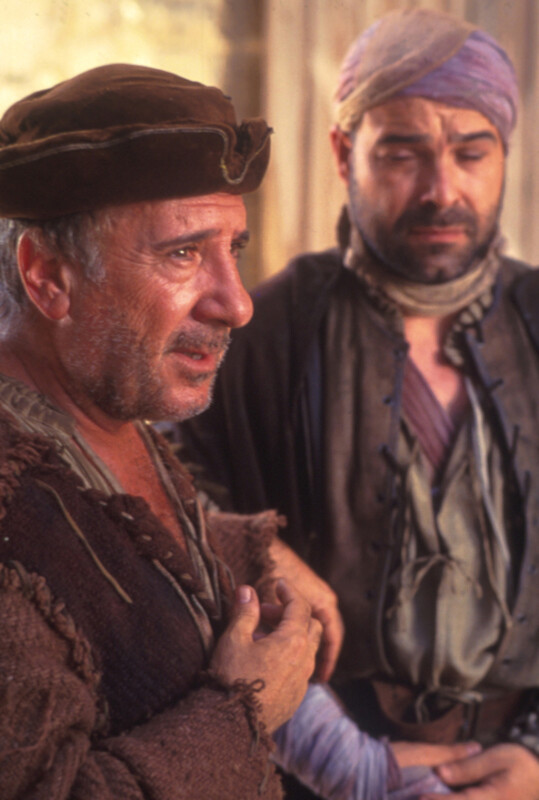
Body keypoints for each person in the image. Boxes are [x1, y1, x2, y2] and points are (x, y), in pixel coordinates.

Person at [0, 61, 473, 800]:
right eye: (183, 253)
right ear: (48, 277)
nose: (237, 303)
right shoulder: (11, 515)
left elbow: (116, 556)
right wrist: (240, 709)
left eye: (235, 249)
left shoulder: (102, 407)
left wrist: (251, 549)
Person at [179, 8, 539, 799]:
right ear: (344, 152)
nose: (441, 190)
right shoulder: (263, 331)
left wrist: (534, 755)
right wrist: (341, 760)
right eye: (402, 153)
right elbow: (162, 510)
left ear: (503, 156)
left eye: (471, 153)